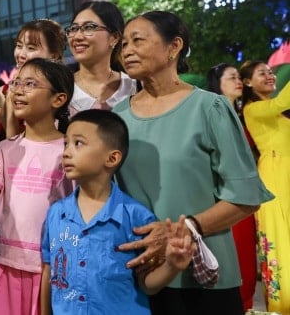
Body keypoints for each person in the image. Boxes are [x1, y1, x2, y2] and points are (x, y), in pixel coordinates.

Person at [112, 10, 274, 314]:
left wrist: (186, 228)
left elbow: (246, 196)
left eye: (138, 41)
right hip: (140, 276)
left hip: (202, 278)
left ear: (174, 47)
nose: (127, 51)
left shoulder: (208, 107)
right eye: (123, 44)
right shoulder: (118, 118)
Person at [40, 109, 196, 314]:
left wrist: (171, 266)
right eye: (66, 143)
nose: (66, 152)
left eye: (78, 143)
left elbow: (147, 284)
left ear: (112, 158)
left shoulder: (137, 217)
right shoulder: (55, 214)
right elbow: (49, 272)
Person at [0, 57, 75, 315]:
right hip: (5, 264)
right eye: (16, 83)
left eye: (30, 84)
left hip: (53, 268)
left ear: (58, 99)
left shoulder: (70, 150)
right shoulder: (5, 150)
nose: (17, 90)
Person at [205, 62, 258, 311]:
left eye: (239, 77)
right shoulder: (213, 113)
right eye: (232, 77)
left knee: (248, 258)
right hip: (227, 199)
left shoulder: (242, 113)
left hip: (247, 198)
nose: (238, 81)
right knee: (235, 260)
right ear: (217, 83)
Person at [239, 59, 290, 314]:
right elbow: (282, 101)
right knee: (281, 243)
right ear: (247, 82)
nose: (270, 76)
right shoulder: (252, 110)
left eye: (271, 72)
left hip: (287, 175)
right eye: (262, 73)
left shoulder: (276, 112)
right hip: (275, 177)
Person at [0, 18, 66, 141]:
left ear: (54, 56)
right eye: (19, 46)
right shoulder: (2, 91)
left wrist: (2, 106)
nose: (20, 54)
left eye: (31, 48)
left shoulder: (59, 92)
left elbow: (29, 146)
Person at [65, 1, 136, 117]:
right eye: (73, 29)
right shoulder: (60, 89)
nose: (77, 36)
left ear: (114, 37)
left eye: (89, 27)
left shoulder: (134, 87)